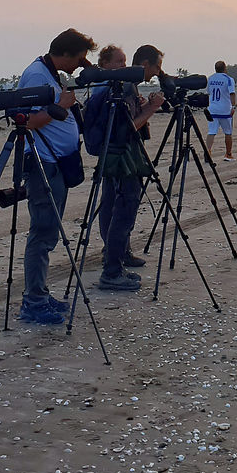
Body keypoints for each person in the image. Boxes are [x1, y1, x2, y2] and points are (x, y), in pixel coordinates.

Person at [16, 28, 95, 325]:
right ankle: (33, 302)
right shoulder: (37, 75)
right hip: (42, 162)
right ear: (64, 53)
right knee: (43, 231)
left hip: (56, 162)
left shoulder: (50, 73)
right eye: (79, 58)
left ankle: (40, 293)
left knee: (48, 232)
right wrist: (61, 106)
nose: (79, 64)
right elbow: (28, 121)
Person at [85, 44, 165, 291]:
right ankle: (112, 270)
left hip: (113, 156)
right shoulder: (112, 89)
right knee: (123, 208)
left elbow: (125, 121)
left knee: (110, 203)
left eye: (124, 61)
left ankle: (117, 257)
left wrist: (141, 106)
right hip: (122, 158)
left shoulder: (111, 87)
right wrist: (151, 109)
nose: (124, 66)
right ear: (104, 65)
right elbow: (126, 128)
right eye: (118, 62)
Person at [205, 60, 236, 161]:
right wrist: (233, 106)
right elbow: (232, 93)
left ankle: (208, 152)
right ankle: (228, 154)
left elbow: (209, 92)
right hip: (225, 110)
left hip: (212, 109)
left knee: (211, 132)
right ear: (224, 68)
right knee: (228, 132)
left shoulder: (210, 78)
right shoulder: (229, 79)